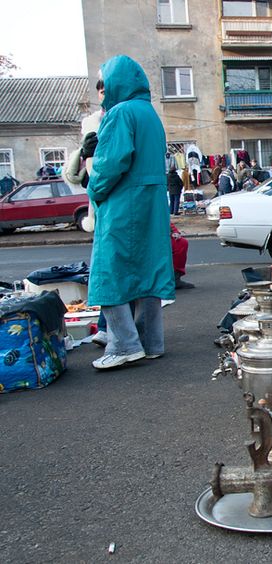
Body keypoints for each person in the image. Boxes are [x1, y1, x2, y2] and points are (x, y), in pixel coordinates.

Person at [85, 55, 175, 370]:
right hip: (150, 202)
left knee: (107, 274)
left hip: (123, 203)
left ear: (114, 84)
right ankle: (151, 343)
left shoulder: (119, 113)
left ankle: (123, 345)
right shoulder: (149, 113)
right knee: (147, 272)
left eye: (103, 83)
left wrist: (93, 190)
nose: (102, 89)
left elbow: (110, 164)